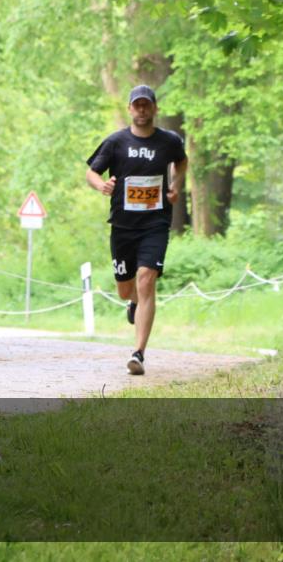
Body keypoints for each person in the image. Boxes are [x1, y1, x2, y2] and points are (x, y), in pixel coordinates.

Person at [86, 84, 188, 376]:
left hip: (155, 223)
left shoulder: (169, 141)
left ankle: (138, 353)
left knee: (146, 281)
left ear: (155, 109)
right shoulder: (116, 142)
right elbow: (91, 171)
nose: (142, 110)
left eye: (147, 105)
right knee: (125, 289)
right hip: (122, 225)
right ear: (130, 109)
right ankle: (131, 303)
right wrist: (100, 184)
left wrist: (175, 185)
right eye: (137, 105)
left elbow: (181, 162)